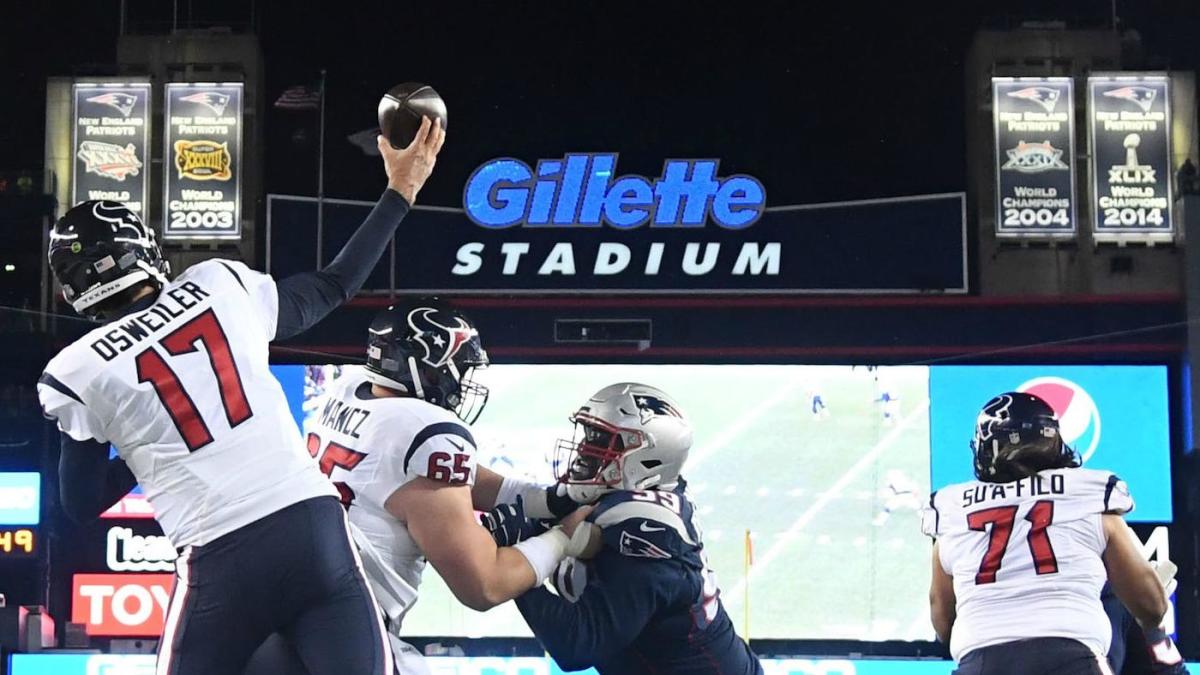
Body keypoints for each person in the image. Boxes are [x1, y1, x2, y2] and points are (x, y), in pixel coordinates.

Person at [37, 119, 445, 675]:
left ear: (73, 288)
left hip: (219, 557)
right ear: (145, 252)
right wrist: (401, 190)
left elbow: (79, 505)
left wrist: (147, 448)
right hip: (314, 530)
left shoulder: (78, 369)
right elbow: (333, 285)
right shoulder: (218, 284)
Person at [301, 301, 594, 674]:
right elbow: (484, 585)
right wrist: (562, 539)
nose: (464, 380)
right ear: (423, 365)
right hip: (352, 639)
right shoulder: (427, 433)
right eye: (460, 367)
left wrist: (548, 499)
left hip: (302, 622)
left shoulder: (350, 391)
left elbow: (409, 474)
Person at [483, 383, 764, 675]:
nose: (584, 450)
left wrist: (521, 558)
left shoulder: (647, 534)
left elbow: (576, 646)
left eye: (603, 442)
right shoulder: (632, 489)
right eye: (589, 435)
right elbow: (537, 500)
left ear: (646, 455)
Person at [921, 392, 1169, 675]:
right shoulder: (1090, 495)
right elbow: (1151, 607)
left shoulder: (951, 511)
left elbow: (942, 624)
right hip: (1072, 658)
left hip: (980, 664)